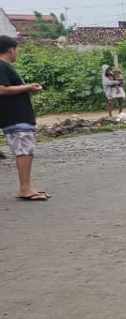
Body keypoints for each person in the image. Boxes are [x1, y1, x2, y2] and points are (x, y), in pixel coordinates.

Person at [0, 35, 48, 201]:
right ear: (10, 50)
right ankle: (25, 188)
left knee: (25, 151)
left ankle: (27, 186)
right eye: (16, 50)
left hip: (17, 116)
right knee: (23, 152)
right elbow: (1, 89)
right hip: (15, 116)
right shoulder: (1, 66)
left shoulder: (4, 66)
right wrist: (28, 86)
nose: (16, 53)